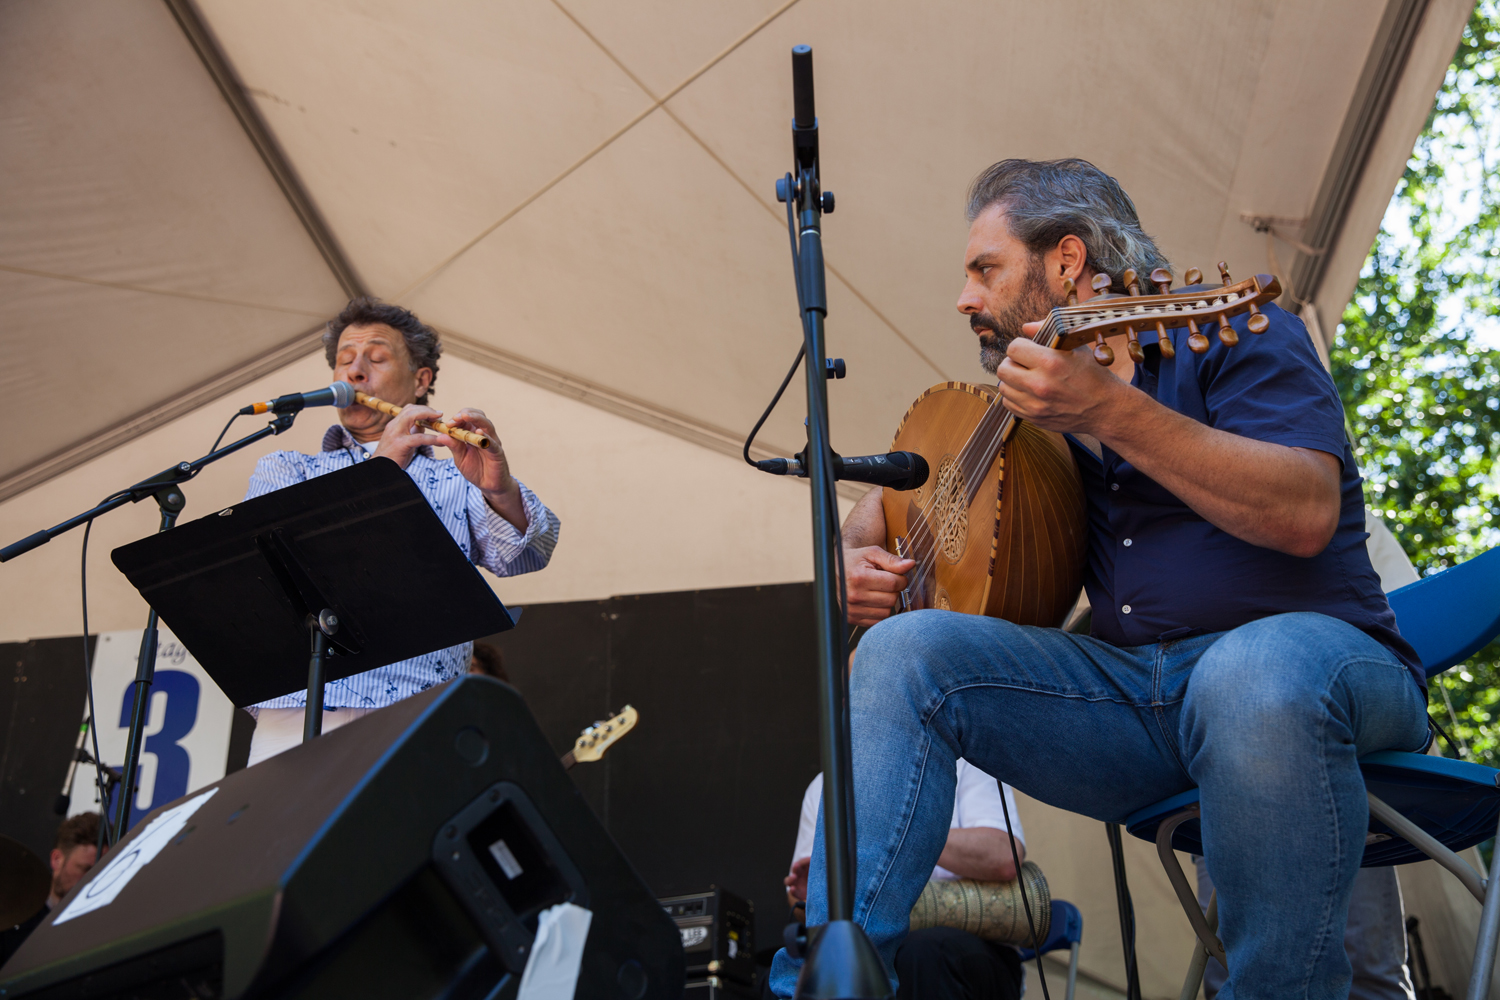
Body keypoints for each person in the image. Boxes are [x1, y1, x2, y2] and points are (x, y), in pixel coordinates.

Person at [769, 159, 1428, 999]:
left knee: (1248, 673)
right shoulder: (1033, 419)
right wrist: (850, 553)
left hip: (1321, 669)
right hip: (1134, 700)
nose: (964, 298)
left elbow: (1304, 511)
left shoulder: (1241, 332)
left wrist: (1109, 410)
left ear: (1067, 263)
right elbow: (909, 491)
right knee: (900, 655)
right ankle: (830, 985)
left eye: (985, 269)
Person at [244, 298, 560, 765]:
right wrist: (383, 467)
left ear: (421, 379)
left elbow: (528, 552)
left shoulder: (458, 477)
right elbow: (276, 570)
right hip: (295, 707)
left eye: (375, 358)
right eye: (344, 359)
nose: (354, 372)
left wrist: (499, 486)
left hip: (418, 710)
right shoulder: (287, 469)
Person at [786, 763, 1026, 1000]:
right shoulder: (824, 784)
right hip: (869, 948)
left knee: (923, 954)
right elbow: (798, 901)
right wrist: (812, 895)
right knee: (784, 973)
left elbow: (1003, 855)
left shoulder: (966, 765)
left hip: (970, 950)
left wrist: (900, 833)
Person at [0, 813, 100, 968]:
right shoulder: (14, 918)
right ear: (57, 860)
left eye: (102, 871)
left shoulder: (99, 929)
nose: (93, 880)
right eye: (86, 869)